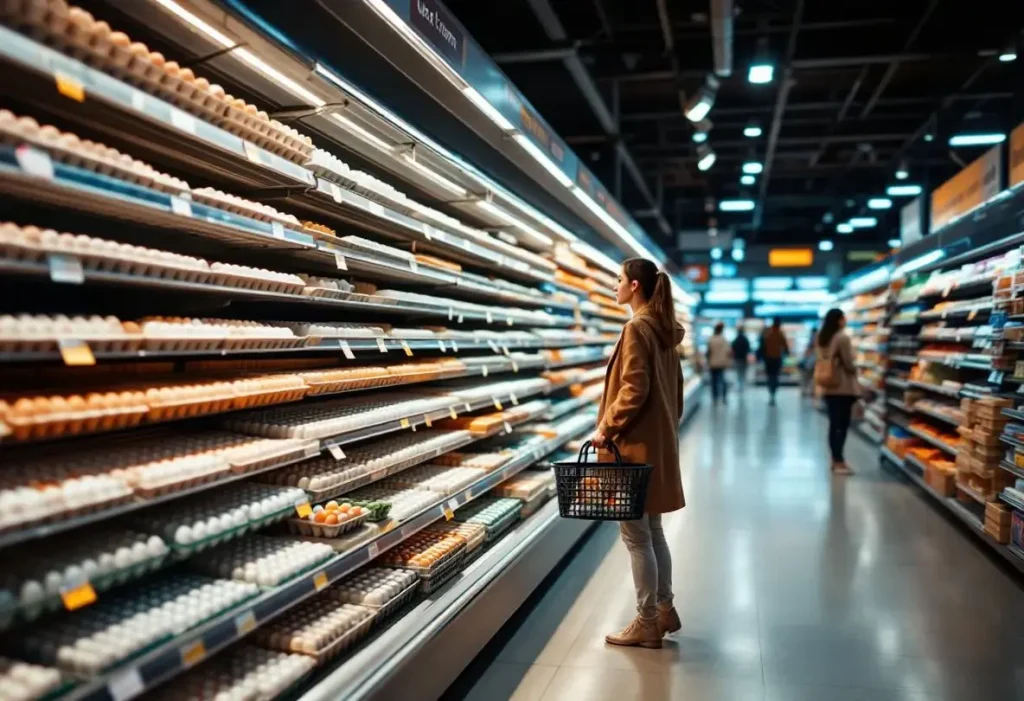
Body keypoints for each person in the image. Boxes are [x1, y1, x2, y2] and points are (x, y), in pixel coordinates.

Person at [592, 258, 685, 649]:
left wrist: (606, 428)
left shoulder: (636, 328)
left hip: (632, 449)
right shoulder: (664, 330)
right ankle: (665, 608)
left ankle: (646, 621)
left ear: (634, 286)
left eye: (618, 279)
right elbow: (675, 392)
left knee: (636, 538)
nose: (614, 286)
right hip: (657, 444)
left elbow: (633, 389)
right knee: (654, 532)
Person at [816, 309, 859, 475]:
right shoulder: (842, 337)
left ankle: (835, 459)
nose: (845, 320)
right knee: (842, 424)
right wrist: (855, 369)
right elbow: (848, 363)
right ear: (839, 320)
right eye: (843, 318)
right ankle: (839, 461)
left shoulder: (822, 337)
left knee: (834, 424)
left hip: (828, 385)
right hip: (843, 387)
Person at [759, 317, 790, 406]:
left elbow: (762, 344)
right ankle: (773, 394)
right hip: (776, 358)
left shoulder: (768, 332)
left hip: (768, 359)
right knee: (775, 377)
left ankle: (771, 393)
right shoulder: (779, 333)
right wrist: (787, 353)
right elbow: (785, 345)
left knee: (770, 377)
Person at [706, 321, 732, 404]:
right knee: (722, 380)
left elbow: (708, 352)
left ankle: (715, 398)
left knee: (714, 381)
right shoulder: (724, 340)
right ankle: (724, 397)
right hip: (722, 363)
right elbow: (728, 352)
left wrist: (708, 361)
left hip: (713, 363)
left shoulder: (711, 339)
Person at [731, 323, 751, 391]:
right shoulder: (745, 339)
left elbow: (733, 348)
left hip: (737, 359)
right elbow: (748, 349)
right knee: (743, 373)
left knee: (738, 373)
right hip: (743, 359)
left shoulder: (736, 339)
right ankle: (742, 386)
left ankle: (740, 386)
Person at [800, 326, 818, 397]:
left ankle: (806, 390)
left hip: (810, 363)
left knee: (807, 377)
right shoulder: (817, 339)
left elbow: (808, 350)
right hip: (813, 362)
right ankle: (811, 391)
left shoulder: (812, 339)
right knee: (811, 377)